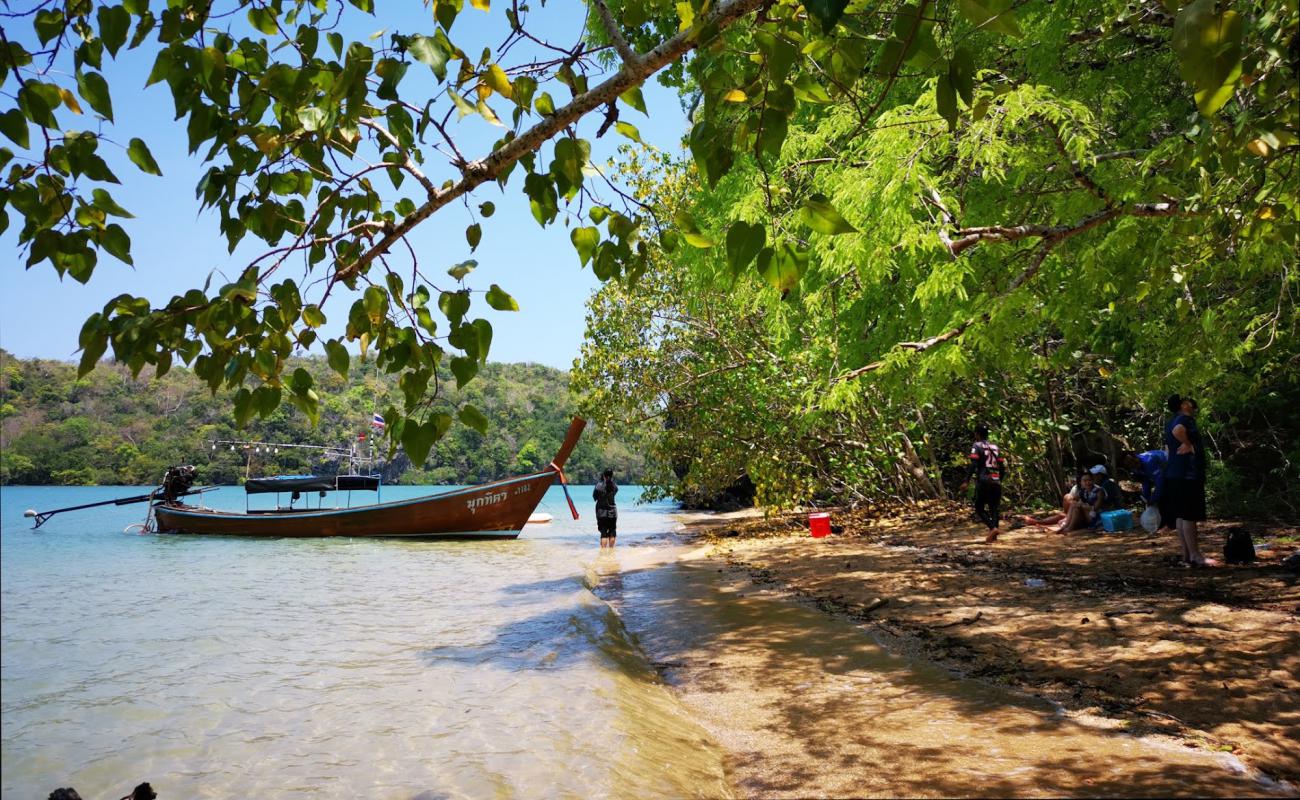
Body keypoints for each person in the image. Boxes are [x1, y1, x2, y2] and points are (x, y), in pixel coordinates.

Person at [1163, 395, 1214, 566]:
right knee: (1189, 515)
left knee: (1181, 515)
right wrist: (1188, 443)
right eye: (1191, 404)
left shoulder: (1170, 421)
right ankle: (1195, 555)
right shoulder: (1185, 419)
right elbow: (1178, 430)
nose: (1193, 407)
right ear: (1184, 405)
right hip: (1187, 474)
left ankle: (1186, 554)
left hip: (1174, 473)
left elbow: (1167, 449)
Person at [959, 424, 1007, 543]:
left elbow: (974, 464)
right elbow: (1002, 466)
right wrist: (1000, 479)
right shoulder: (995, 446)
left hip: (984, 479)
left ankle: (993, 528)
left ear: (977, 434)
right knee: (994, 508)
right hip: (996, 480)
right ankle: (994, 537)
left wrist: (966, 481)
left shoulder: (977, 445)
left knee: (979, 507)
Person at [1124, 449, 1172, 531]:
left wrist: (1153, 499)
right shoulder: (1135, 468)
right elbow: (1145, 482)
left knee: (1165, 495)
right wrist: (1147, 498)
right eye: (1130, 465)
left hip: (1169, 466)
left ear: (1135, 457)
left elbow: (1160, 483)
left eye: (1133, 462)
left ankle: (1169, 522)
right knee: (1154, 500)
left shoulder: (1149, 462)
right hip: (1160, 471)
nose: (1133, 465)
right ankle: (1162, 522)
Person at [593, 469, 618, 548]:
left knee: (603, 532)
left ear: (603, 475)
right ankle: (611, 552)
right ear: (612, 476)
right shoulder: (615, 486)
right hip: (612, 511)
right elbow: (614, 492)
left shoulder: (599, 485)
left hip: (601, 512)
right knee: (612, 531)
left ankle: (603, 553)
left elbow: (594, 497)